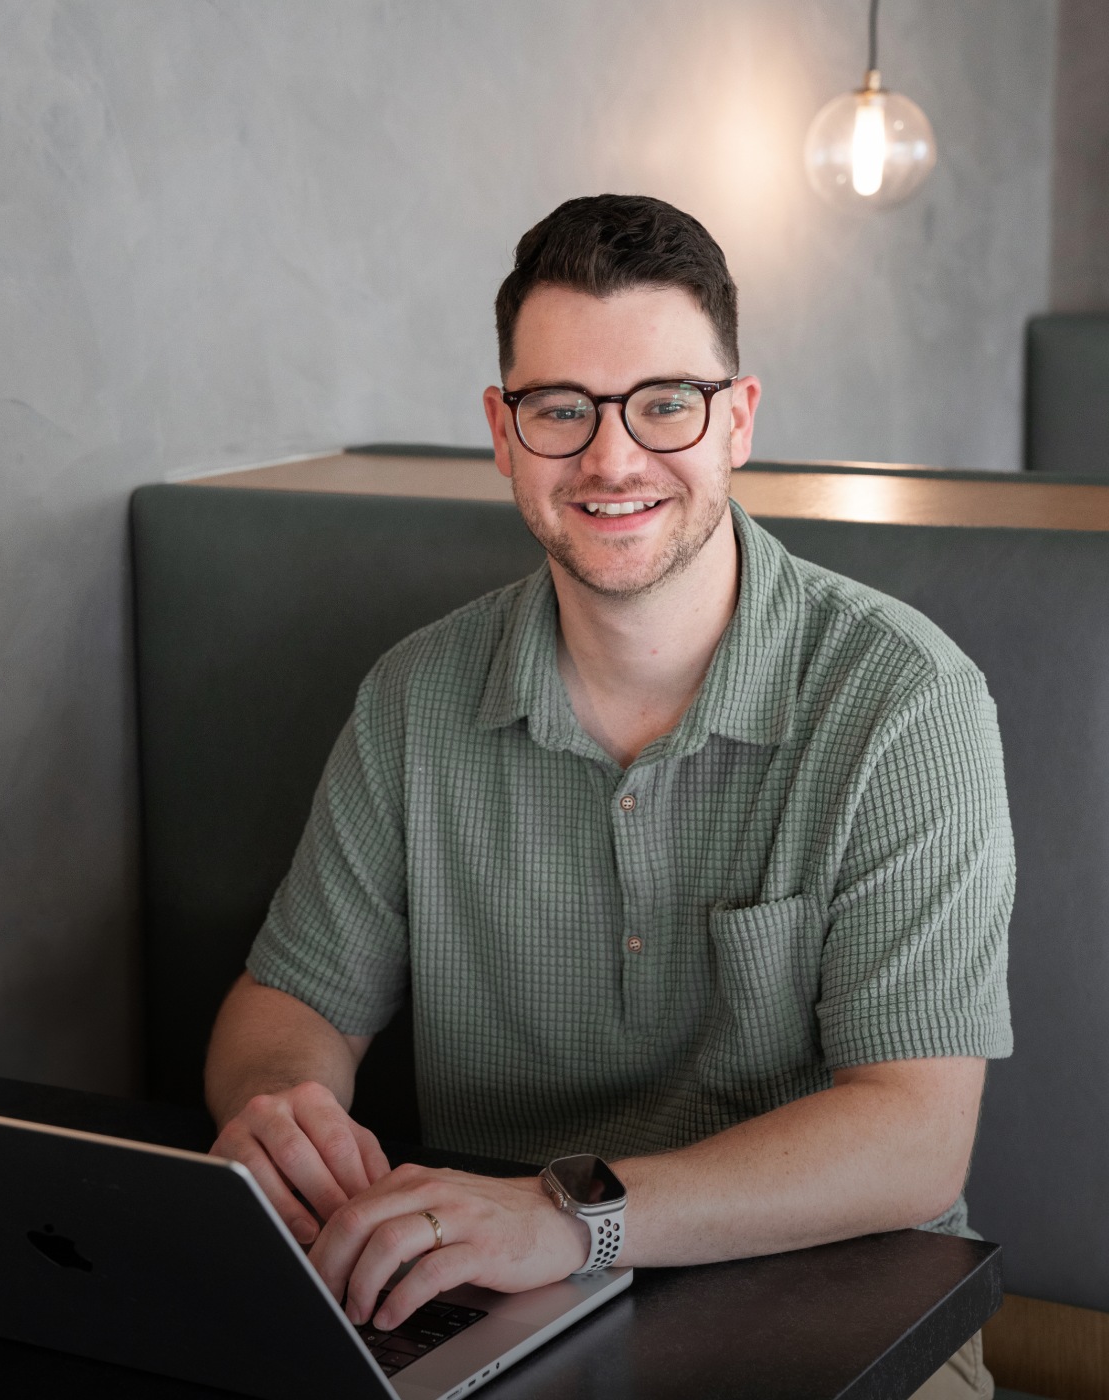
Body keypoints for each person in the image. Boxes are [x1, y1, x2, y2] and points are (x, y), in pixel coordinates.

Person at [202, 194, 1011, 1400]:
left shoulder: (906, 702)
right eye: (561, 408)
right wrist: (282, 1107)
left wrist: (571, 1216)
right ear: (503, 430)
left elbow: (911, 1134)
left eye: (665, 403)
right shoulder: (415, 697)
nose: (612, 456)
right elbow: (285, 1008)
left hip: (849, 1307)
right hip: (506, 1296)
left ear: (738, 419)